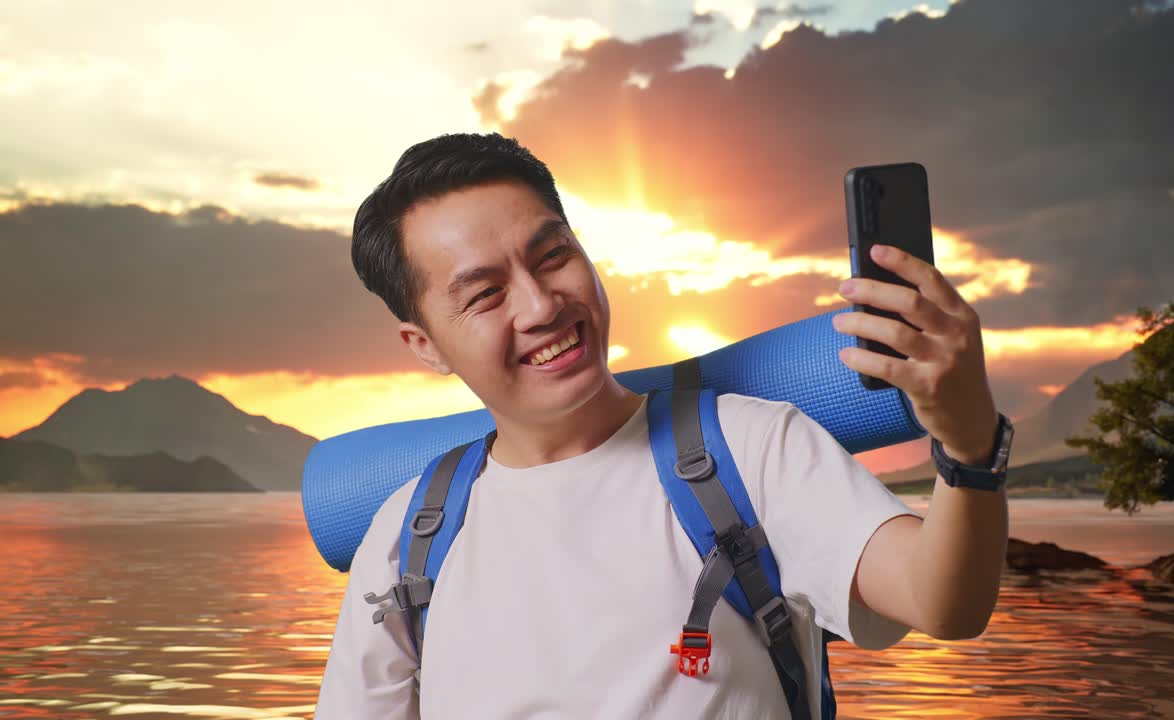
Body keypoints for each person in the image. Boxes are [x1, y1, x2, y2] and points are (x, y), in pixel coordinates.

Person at [314, 132, 1009, 718]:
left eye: (553, 256)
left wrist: (969, 443)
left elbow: (940, 600)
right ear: (425, 345)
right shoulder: (407, 536)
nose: (540, 305)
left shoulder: (751, 447)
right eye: (486, 293)